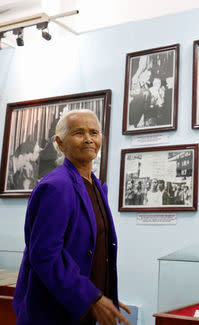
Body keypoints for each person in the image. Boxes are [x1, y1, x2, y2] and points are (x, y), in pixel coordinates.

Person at [13, 109, 131, 325]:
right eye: (79, 133)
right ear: (60, 142)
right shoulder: (56, 186)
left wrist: (105, 295)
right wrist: (91, 297)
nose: (89, 139)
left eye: (94, 133)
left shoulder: (96, 185)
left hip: (80, 309)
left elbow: (93, 251)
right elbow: (45, 255)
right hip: (52, 313)